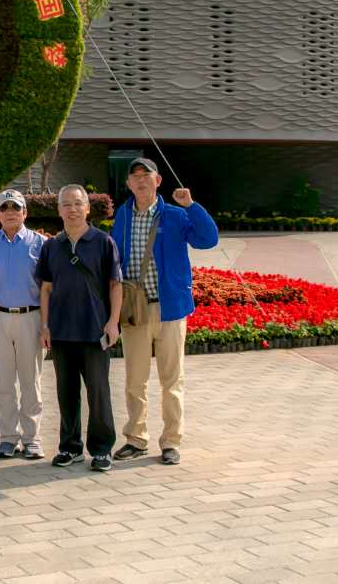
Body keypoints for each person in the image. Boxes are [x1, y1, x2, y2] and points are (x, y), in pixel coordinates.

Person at [110, 157, 219, 466]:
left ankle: (171, 441)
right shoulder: (122, 215)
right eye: (135, 176)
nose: (140, 180)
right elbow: (114, 259)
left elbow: (208, 239)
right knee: (135, 380)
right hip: (135, 309)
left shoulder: (175, 214)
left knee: (172, 380)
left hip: (169, 308)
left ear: (158, 180)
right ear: (128, 184)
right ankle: (136, 438)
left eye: (146, 175)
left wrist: (191, 206)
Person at [36, 184, 123, 472]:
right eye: (66, 204)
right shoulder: (52, 246)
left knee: (98, 392)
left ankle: (101, 449)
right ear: (59, 210)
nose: (72, 209)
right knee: (66, 393)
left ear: (87, 208)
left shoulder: (103, 242)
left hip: (94, 331)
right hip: (61, 332)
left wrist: (113, 322)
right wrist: (45, 325)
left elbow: (115, 285)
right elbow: (46, 289)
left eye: (77, 204)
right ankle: (70, 447)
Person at [0, 189, 47, 459]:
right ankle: (7, 438)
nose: (11, 212)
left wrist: (47, 325)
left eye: (16, 207)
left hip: (31, 318)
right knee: (4, 383)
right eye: (5, 208)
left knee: (30, 382)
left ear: (25, 212)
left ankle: (32, 438)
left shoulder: (40, 243)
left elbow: (48, 288)